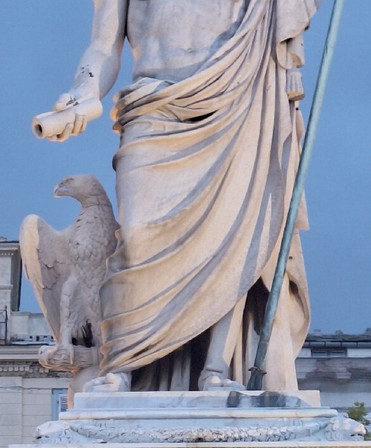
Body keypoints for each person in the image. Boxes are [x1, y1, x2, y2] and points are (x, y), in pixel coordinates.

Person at [35, 0, 320, 392]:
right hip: (152, 105)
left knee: (234, 235)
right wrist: (83, 91)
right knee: (136, 238)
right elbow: (103, 46)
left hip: (235, 97)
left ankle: (215, 371)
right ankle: (122, 364)